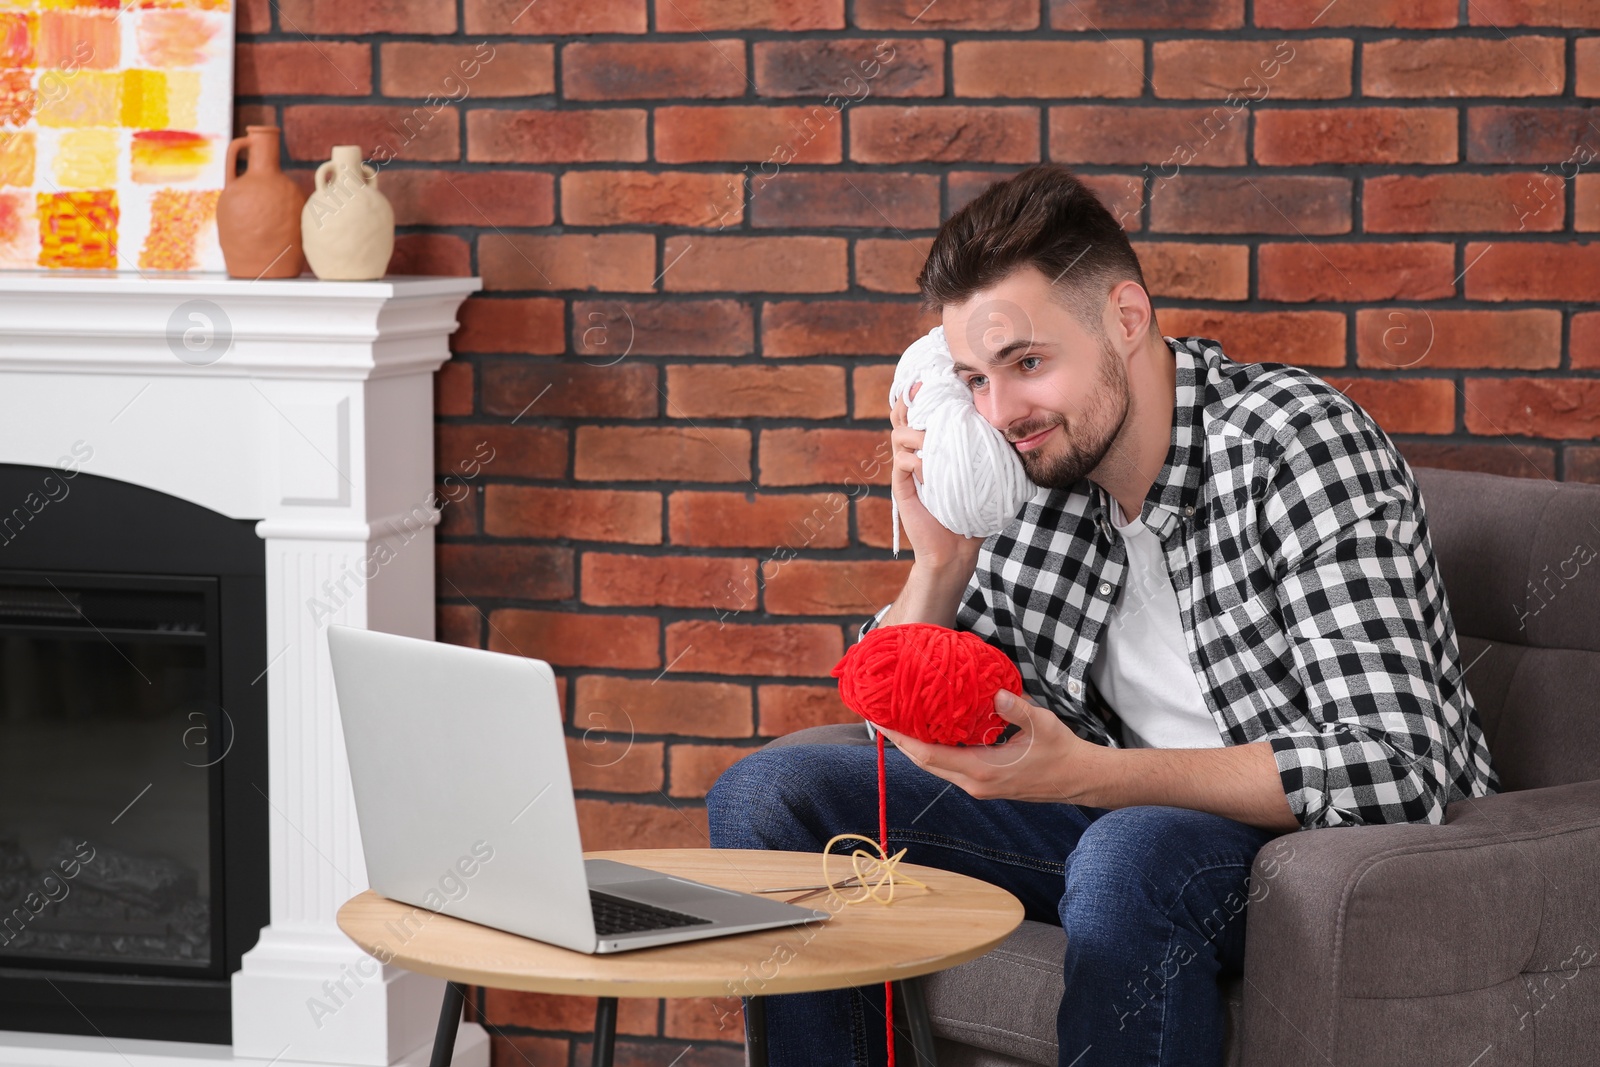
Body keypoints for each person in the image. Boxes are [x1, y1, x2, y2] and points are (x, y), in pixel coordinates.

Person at [706, 163, 1500, 1067]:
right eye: (972, 378)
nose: (1000, 412)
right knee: (770, 796)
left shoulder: (1294, 446)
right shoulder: (1035, 477)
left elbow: (1392, 764)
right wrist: (940, 560)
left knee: (1127, 851)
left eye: (1027, 364)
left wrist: (1088, 773)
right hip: (1102, 818)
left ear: (1126, 319)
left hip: (1307, 849)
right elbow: (897, 730)